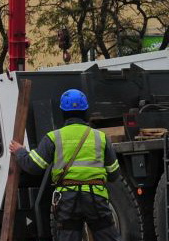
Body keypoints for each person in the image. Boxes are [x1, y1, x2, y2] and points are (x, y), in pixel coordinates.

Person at [10, 89, 121, 241]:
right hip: (96, 197)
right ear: (85, 111)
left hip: (68, 199)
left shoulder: (53, 137)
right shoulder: (101, 137)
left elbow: (33, 166)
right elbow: (114, 174)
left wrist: (20, 152)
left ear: (62, 111)